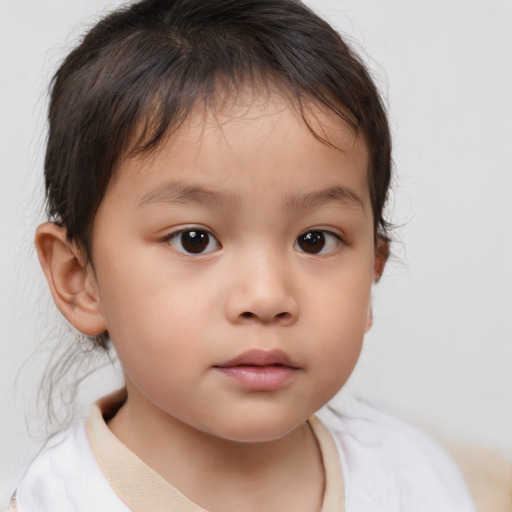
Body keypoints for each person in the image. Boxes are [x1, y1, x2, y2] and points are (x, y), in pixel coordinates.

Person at [8, 0, 477, 510]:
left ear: (371, 271)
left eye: (314, 240)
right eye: (194, 239)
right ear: (79, 278)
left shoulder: (415, 477)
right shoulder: (51, 501)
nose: (267, 296)